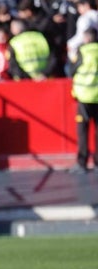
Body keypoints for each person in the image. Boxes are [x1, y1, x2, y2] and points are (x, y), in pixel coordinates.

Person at [70, 28, 98, 173]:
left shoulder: (82, 51)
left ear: (86, 38)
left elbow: (71, 70)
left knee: (83, 131)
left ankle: (82, 163)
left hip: (85, 96)